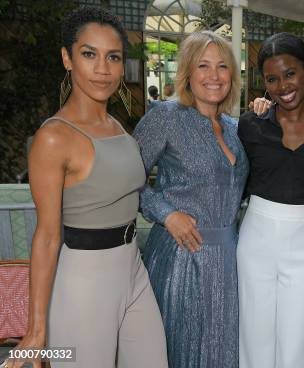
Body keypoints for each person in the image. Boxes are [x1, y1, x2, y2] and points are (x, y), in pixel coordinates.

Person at [5, 6, 168, 368]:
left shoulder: (118, 127)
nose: (102, 69)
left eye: (113, 57)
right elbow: (47, 237)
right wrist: (35, 330)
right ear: (67, 58)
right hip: (83, 282)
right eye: (89, 54)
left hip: (134, 270)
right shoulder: (54, 137)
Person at [133, 31, 248, 368]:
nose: (214, 76)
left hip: (227, 262)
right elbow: (126, 178)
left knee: (222, 350)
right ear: (187, 72)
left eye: (223, 66)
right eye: (204, 65)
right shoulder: (165, 116)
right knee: (180, 350)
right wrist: (167, 214)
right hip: (182, 256)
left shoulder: (235, 128)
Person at [237, 32, 304, 368]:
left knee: (295, 343)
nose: (283, 85)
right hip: (256, 240)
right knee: (254, 338)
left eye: (290, 73)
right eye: (272, 79)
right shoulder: (251, 125)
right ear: (264, 83)